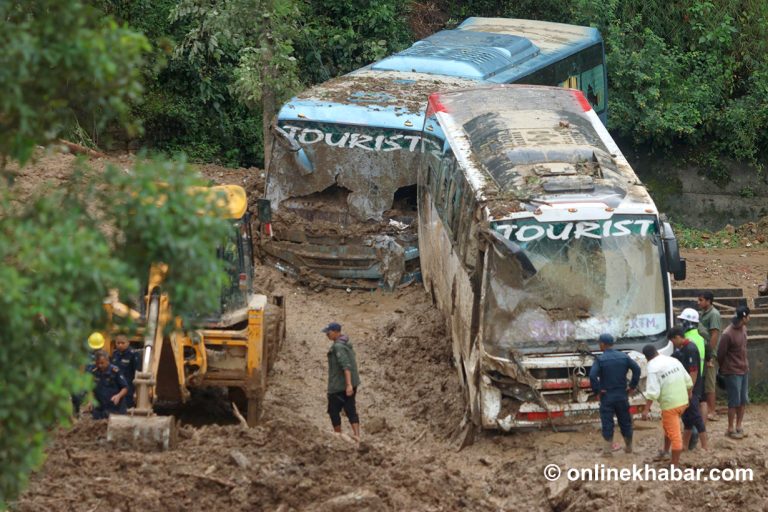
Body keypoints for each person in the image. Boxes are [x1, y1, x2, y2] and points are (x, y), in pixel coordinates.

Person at [588, 333, 640, 455]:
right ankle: (629, 448)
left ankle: (607, 451)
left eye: (599, 343)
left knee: (607, 423)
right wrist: (632, 386)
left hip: (607, 396)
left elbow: (592, 376)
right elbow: (637, 369)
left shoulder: (600, 360)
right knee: (625, 421)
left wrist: (597, 391)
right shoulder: (624, 357)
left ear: (602, 344)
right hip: (622, 395)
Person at [641, 344, 692, 466]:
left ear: (646, 358)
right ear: (657, 352)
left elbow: (653, 392)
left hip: (670, 405)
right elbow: (688, 381)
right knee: (669, 426)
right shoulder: (672, 360)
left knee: (675, 436)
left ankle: (674, 465)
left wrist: (646, 410)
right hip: (683, 402)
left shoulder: (652, 367)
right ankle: (665, 451)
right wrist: (689, 395)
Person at [669, 327, 708, 450]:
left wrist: (689, 390)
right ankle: (685, 445)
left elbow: (694, 372)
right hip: (686, 388)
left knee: (696, 416)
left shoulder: (690, 349)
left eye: (672, 341)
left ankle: (705, 446)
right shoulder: (683, 349)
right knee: (687, 418)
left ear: (677, 337)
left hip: (692, 389)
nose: (673, 344)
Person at [323, 322, 361, 440]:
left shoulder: (338, 347)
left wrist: (348, 385)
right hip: (351, 383)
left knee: (333, 411)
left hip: (340, 386)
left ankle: (338, 436)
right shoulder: (346, 344)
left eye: (328, 332)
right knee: (350, 409)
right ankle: (357, 436)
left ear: (335, 332)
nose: (327, 335)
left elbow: (346, 366)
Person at [717, 305, 750, 439]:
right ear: (744, 317)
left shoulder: (743, 329)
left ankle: (739, 426)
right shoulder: (727, 334)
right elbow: (720, 354)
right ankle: (730, 428)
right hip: (732, 372)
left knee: (742, 400)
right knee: (733, 401)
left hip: (744, 370)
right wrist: (725, 369)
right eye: (748, 316)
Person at [677, 308, 708, 418]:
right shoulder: (700, 338)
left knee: (692, 407)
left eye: (682, 322)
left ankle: (694, 429)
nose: (680, 324)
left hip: (691, 376)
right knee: (703, 401)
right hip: (701, 374)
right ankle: (701, 427)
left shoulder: (686, 340)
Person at [697, 292, 722, 421]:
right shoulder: (703, 314)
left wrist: (710, 355)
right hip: (703, 352)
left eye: (701, 300)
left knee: (710, 383)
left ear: (708, 301)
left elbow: (714, 336)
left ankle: (712, 411)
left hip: (709, 354)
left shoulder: (714, 315)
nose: (698, 302)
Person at [86, 350, 129, 420]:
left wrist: (118, 396)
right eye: (98, 363)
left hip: (115, 407)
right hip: (100, 408)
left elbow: (125, 388)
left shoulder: (115, 371)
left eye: (102, 363)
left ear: (107, 361)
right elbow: (90, 389)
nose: (100, 365)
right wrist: (90, 400)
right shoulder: (94, 372)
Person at [110, 333, 142, 408]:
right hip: (117, 386)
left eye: (123, 343)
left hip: (129, 387)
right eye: (118, 343)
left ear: (128, 343)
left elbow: (137, 372)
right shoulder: (115, 354)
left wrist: (136, 391)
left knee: (127, 407)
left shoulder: (134, 355)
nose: (120, 345)